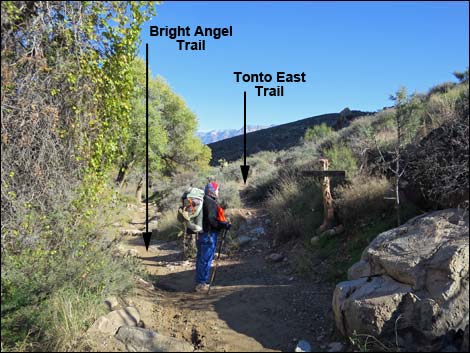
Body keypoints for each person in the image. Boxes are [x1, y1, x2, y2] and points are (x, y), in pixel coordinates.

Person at [194, 179, 231, 292]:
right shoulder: (210, 202)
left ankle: (200, 282)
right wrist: (223, 225)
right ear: (212, 191)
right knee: (206, 259)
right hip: (209, 235)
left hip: (200, 234)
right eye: (217, 189)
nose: (218, 192)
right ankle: (201, 284)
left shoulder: (203, 201)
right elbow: (211, 220)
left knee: (201, 258)